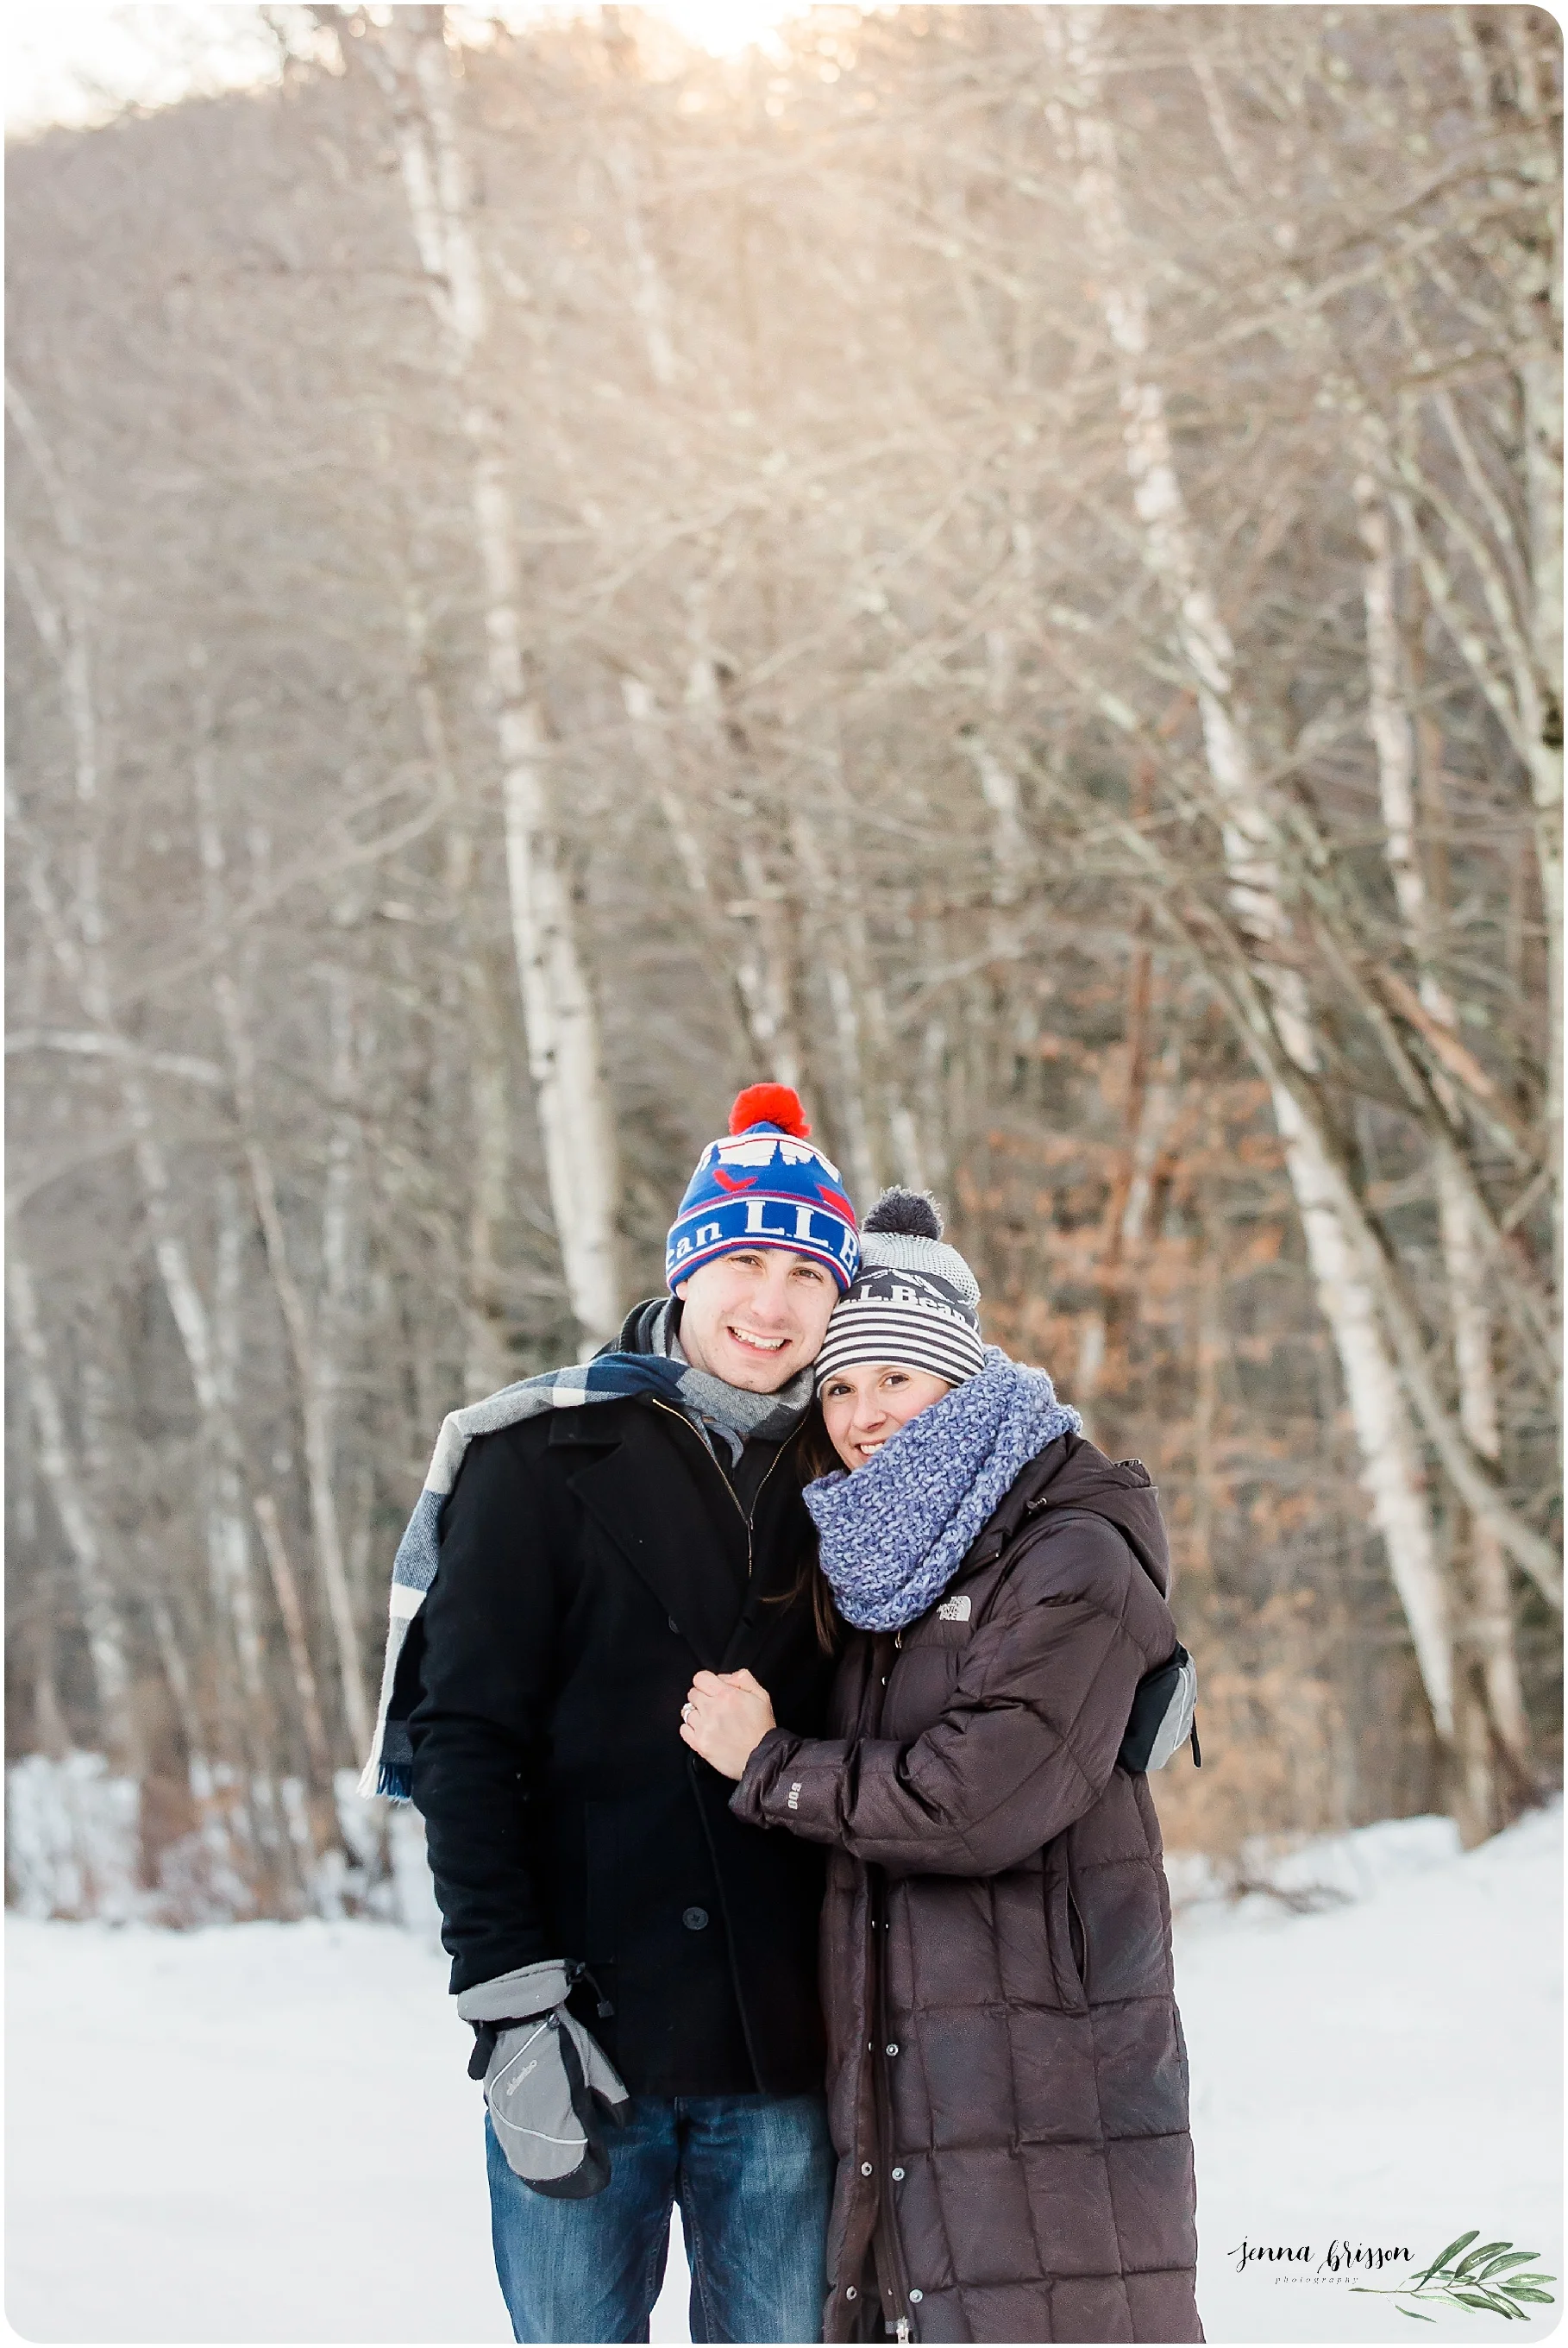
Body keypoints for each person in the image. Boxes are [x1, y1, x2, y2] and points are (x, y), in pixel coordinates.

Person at [361, 1085, 860, 2345]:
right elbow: (460, 1737)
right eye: (744, 1257)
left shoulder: (861, 1465)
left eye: (807, 1270)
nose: (773, 1299)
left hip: (783, 2047)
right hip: (583, 2034)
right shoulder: (539, 1455)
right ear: (685, 1268)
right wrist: (507, 2001)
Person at [681, 1187, 1204, 2345]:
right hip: (924, 2080)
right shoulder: (882, 1568)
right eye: (839, 1386)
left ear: (960, 1377)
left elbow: (976, 1800)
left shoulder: (1068, 1551)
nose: (865, 1413)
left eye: (895, 1378)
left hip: (1047, 2086)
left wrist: (768, 1765)